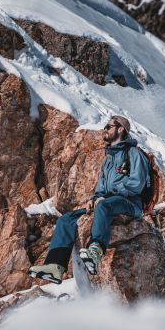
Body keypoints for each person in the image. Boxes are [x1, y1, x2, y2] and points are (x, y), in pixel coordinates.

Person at [28, 115, 150, 284]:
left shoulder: (134, 153)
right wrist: (95, 198)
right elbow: (100, 187)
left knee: (105, 206)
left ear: (120, 129)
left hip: (131, 203)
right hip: (108, 202)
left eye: (108, 126)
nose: (105, 130)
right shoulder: (109, 160)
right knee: (66, 219)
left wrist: (108, 195)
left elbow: (137, 183)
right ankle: (55, 266)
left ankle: (96, 251)